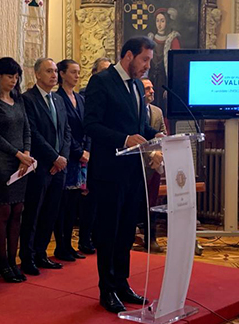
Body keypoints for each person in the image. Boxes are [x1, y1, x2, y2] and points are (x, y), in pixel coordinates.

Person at [84, 36, 161, 313]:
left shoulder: (137, 87)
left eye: (149, 61)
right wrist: (124, 138)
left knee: (127, 230)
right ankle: (107, 289)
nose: (147, 66)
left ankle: (122, 282)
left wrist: (158, 134)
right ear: (128, 56)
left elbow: (139, 125)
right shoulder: (102, 82)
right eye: (144, 60)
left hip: (132, 172)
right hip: (108, 172)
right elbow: (90, 125)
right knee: (108, 231)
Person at [19, 58, 71, 276]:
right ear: (37, 75)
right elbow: (33, 133)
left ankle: (42, 253)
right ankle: (27, 257)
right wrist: (53, 158)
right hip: (40, 165)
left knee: (51, 212)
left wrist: (63, 158)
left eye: (55, 71)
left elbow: (67, 131)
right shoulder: (27, 99)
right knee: (33, 212)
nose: (54, 75)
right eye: (48, 71)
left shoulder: (58, 99)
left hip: (59, 167)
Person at [0, 57, 33, 283]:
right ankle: (2, 263)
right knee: (4, 212)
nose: (13, 80)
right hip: (3, 164)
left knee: (18, 211)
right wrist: (18, 154)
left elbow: (27, 130)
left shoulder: (19, 101)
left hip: (23, 163)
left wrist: (27, 154)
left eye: (16, 77)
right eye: (9, 76)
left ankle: (13, 262)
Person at [53, 59, 90, 262]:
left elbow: (88, 126)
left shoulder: (79, 98)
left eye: (78, 72)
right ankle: (61, 245)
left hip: (83, 157)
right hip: (68, 156)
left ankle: (70, 245)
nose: (77, 76)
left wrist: (88, 150)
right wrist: (77, 151)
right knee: (63, 205)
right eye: (73, 72)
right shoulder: (58, 98)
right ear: (62, 74)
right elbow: (65, 130)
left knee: (75, 203)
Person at [139, 78, 166, 253]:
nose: (152, 91)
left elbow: (162, 133)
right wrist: (151, 154)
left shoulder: (157, 111)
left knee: (152, 203)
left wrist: (160, 154)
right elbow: (136, 137)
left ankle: (151, 238)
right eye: (147, 88)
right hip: (138, 163)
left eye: (152, 88)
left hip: (155, 165)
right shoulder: (133, 111)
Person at [147, 8, 181, 112]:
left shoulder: (173, 40)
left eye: (162, 21)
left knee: (163, 106)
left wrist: (170, 85)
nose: (159, 24)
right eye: (157, 21)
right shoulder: (150, 39)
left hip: (164, 79)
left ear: (167, 22)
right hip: (152, 77)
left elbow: (177, 64)